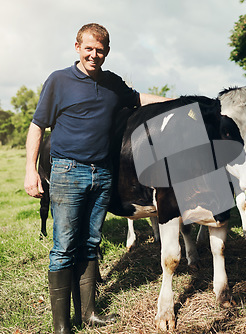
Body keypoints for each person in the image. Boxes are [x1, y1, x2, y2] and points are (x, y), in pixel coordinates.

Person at [24, 23, 170, 334]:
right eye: (88, 48)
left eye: (100, 50)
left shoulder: (112, 83)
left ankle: (88, 314)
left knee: (91, 242)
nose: (94, 54)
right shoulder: (59, 80)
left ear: (107, 52)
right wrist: (30, 170)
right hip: (66, 171)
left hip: (103, 173)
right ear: (77, 47)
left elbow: (139, 99)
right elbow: (37, 126)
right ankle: (62, 326)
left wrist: (180, 103)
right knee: (64, 246)